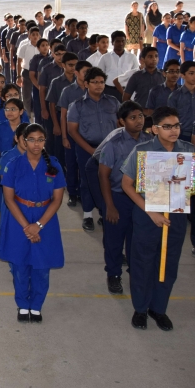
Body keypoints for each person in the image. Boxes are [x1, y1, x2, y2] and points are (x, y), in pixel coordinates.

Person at [121, 107, 192, 331]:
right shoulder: (143, 151)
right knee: (143, 262)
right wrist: (150, 211)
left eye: (176, 126)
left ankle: (159, 309)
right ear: (155, 129)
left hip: (176, 215)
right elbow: (126, 184)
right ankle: (140, 309)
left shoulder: (187, 151)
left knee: (169, 263)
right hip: (147, 215)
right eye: (167, 126)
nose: (174, 130)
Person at [0, 123, 66, 323]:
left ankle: (36, 306)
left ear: (45, 141)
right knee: (19, 265)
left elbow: (57, 199)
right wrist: (27, 227)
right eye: (31, 140)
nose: (36, 144)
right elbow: (9, 199)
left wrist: (39, 226)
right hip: (18, 218)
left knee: (41, 266)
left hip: (45, 218)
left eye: (40, 140)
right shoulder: (13, 164)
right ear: (23, 141)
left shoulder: (54, 165)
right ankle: (22, 304)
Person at [97, 101, 152, 295]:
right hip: (119, 197)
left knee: (137, 239)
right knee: (114, 239)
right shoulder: (114, 143)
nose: (138, 121)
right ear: (122, 121)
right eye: (132, 118)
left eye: (141, 116)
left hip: (142, 198)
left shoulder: (150, 141)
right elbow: (103, 175)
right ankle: (113, 274)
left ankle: (135, 274)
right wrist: (109, 205)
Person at [67, 67, 120, 230]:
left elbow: (121, 124)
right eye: (95, 82)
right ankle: (88, 215)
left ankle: (105, 213)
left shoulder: (113, 102)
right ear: (86, 84)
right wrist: (90, 150)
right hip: (87, 148)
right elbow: (72, 131)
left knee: (110, 181)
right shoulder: (77, 105)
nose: (99, 85)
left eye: (102, 82)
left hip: (111, 149)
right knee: (87, 181)